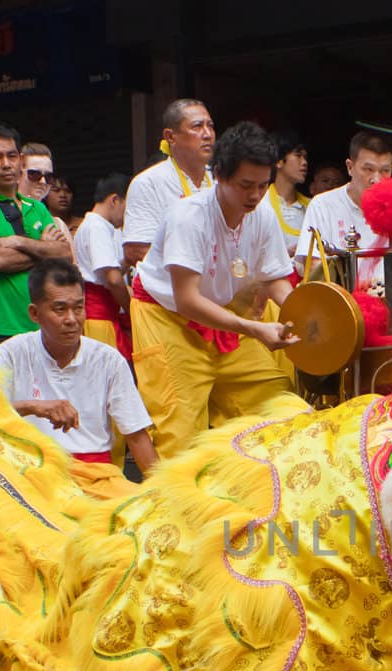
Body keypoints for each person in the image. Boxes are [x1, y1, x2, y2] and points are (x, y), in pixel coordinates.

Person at [129, 121, 306, 458]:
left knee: (280, 402)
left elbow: (275, 279)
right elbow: (187, 300)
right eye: (245, 185)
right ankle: (177, 507)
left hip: (224, 318)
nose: (255, 195)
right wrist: (253, 328)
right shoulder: (188, 216)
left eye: (262, 185)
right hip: (168, 319)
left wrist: (304, 313)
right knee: (179, 432)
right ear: (220, 176)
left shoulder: (262, 213)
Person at [0, 258, 158, 473]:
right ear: (34, 314)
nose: (71, 319)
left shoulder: (108, 360)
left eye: (78, 308)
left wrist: (166, 495)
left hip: (94, 474)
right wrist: (33, 407)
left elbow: (136, 435)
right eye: (59, 309)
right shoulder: (11, 353)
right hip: (30, 473)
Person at [0, 120, 72, 358]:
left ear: (21, 160)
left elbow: (64, 255)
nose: (6, 164)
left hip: (45, 328)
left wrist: (19, 242)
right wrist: (44, 250)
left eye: (12, 156)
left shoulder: (37, 207)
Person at [296, 131, 392, 289]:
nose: (376, 179)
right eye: (368, 169)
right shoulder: (322, 205)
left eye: (384, 171)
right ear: (350, 167)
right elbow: (312, 263)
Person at [122, 99, 216, 269]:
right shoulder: (148, 182)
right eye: (197, 126)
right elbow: (135, 250)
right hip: (167, 291)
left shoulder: (220, 180)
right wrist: (192, 266)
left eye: (210, 126)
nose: (208, 134)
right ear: (170, 137)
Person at [74, 172, 131, 356]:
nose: (127, 217)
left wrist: (128, 261)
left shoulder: (91, 225)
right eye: (127, 209)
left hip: (100, 313)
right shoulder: (96, 227)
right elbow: (112, 280)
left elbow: (103, 273)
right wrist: (132, 309)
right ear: (115, 200)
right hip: (99, 315)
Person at [268, 131, 309, 255]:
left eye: (305, 157)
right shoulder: (260, 204)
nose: (304, 162)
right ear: (279, 162)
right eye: (298, 156)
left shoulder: (312, 206)